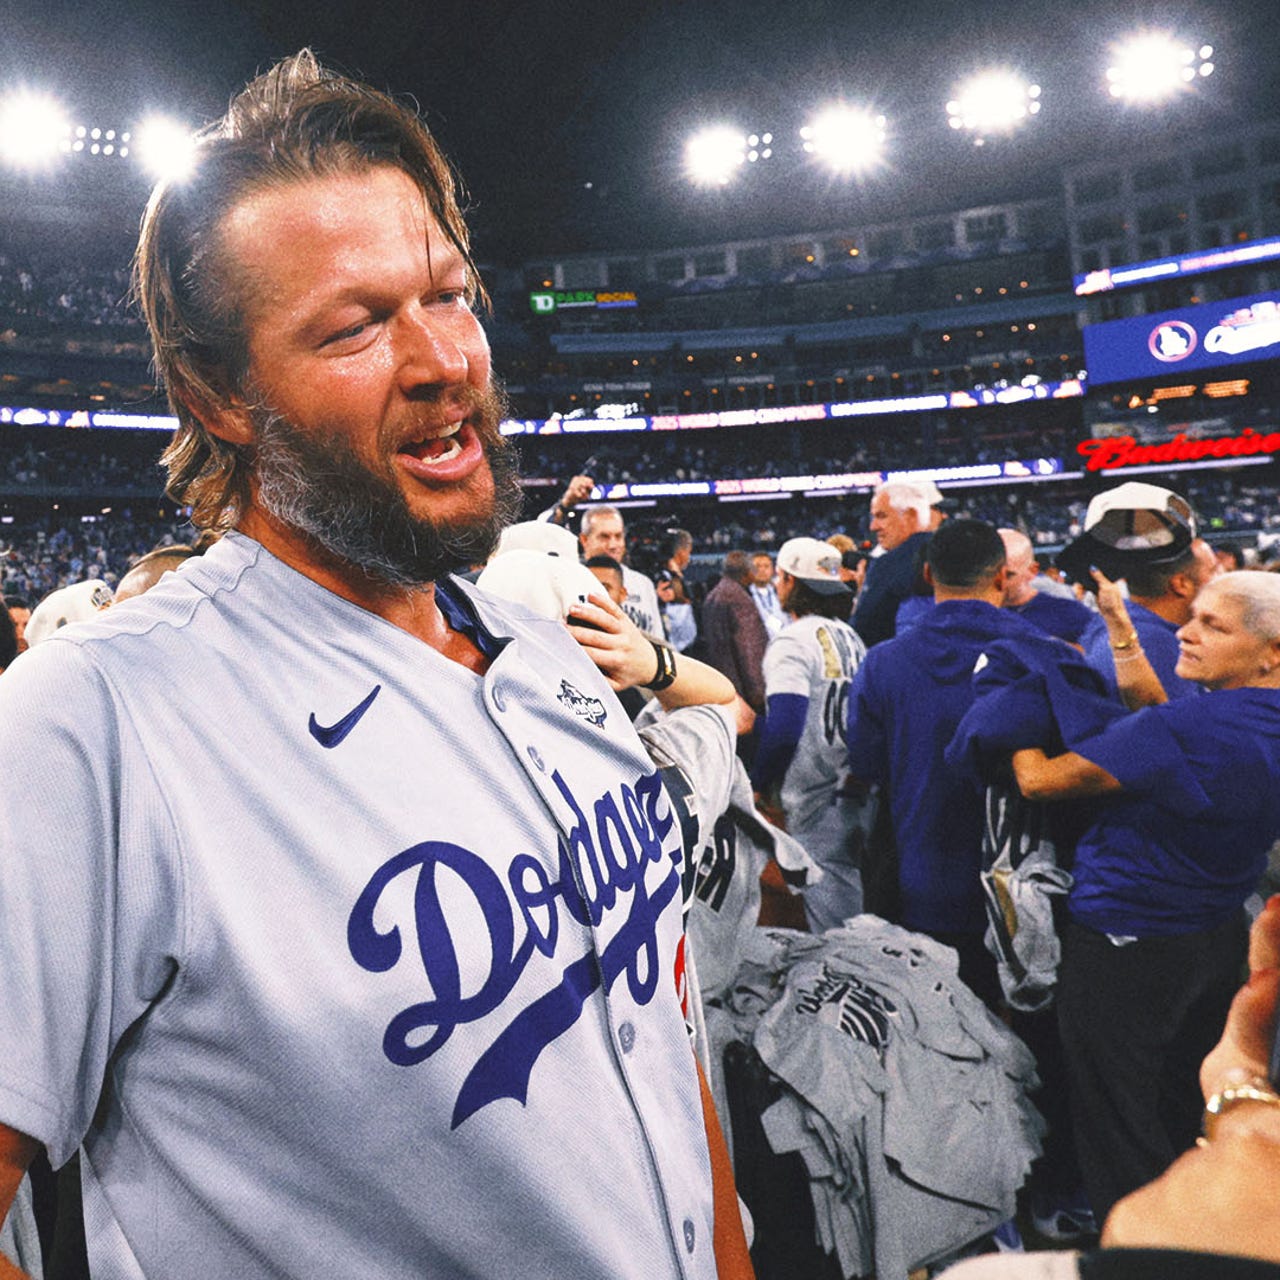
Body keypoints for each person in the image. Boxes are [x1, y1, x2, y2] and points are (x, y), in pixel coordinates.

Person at [0, 52, 750, 1280]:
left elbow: (659, 1043)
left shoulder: (552, 656)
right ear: (219, 393)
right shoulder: (95, 714)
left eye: (447, 296)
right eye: (353, 325)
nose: (442, 359)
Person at [1008, 570, 1280, 1224]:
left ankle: (1147, 1252)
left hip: (1124, 942)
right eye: (1195, 614)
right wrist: (1121, 628)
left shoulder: (1189, 729)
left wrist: (1013, 705)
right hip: (1215, 934)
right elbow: (1164, 721)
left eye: (1214, 626)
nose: (1185, 630)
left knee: (1115, 1119)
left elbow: (1041, 781)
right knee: (1185, 1100)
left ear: (1272, 651)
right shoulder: (1221, 720)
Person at [936, 895, 1280, 1278]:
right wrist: (1242, 1109)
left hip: (1134, 922)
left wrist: (1240, 1105)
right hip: (1201, 916)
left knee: (1117, 1115)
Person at [846, 518, 1046, 1007]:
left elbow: (866, 762)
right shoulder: (1045, 654)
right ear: (1001, 576)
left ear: (930, 573)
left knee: (936, 1028)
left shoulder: (883, 662)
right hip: (1026, 890)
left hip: (923, 876)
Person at [749, 537, 866, 932]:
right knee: (848, 898)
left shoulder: (792, 640)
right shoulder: (850, 637)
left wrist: (757, 782)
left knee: (829, 923)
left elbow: (784, 728)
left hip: (814, 796)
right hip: (852, 788)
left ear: (788, 581)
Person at [1057, 482, 1218, 703]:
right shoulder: (1157, 646)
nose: (1222, 578)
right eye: (1213, 570)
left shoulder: (1119, 624)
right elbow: (1180, 734)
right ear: (1181, 584)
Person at [852, 478, 945, 647]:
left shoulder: (888, 565)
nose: (873, 526)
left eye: (881, 516)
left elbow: (862, 631)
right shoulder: (955, 551)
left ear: (910, 516)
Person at [577, 504, 664, 638]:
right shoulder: (572, 578)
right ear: (584, 540)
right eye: (604, 537)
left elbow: (658, 639)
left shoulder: (643, 583)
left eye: (618, 536)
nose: (613, 545)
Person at [702, 550, 769, 722]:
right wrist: (759, 694)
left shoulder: (713, 595)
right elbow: (750, 650)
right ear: (747, 573)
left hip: (721, 688)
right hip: (743, 694)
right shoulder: (739, 600)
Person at [999, 528, 1092, 644]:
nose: (998, 582)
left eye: (1008, 575)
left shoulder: (1072, 615)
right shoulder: (977, 616)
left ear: (1033, 570)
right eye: (990, 574)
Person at [746, 553, 785, 638]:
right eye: (758, 566)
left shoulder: (781, 592)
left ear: (772, 570)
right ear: (749, 570)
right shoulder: (745, 594)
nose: (762, 570)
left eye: (766, 566)